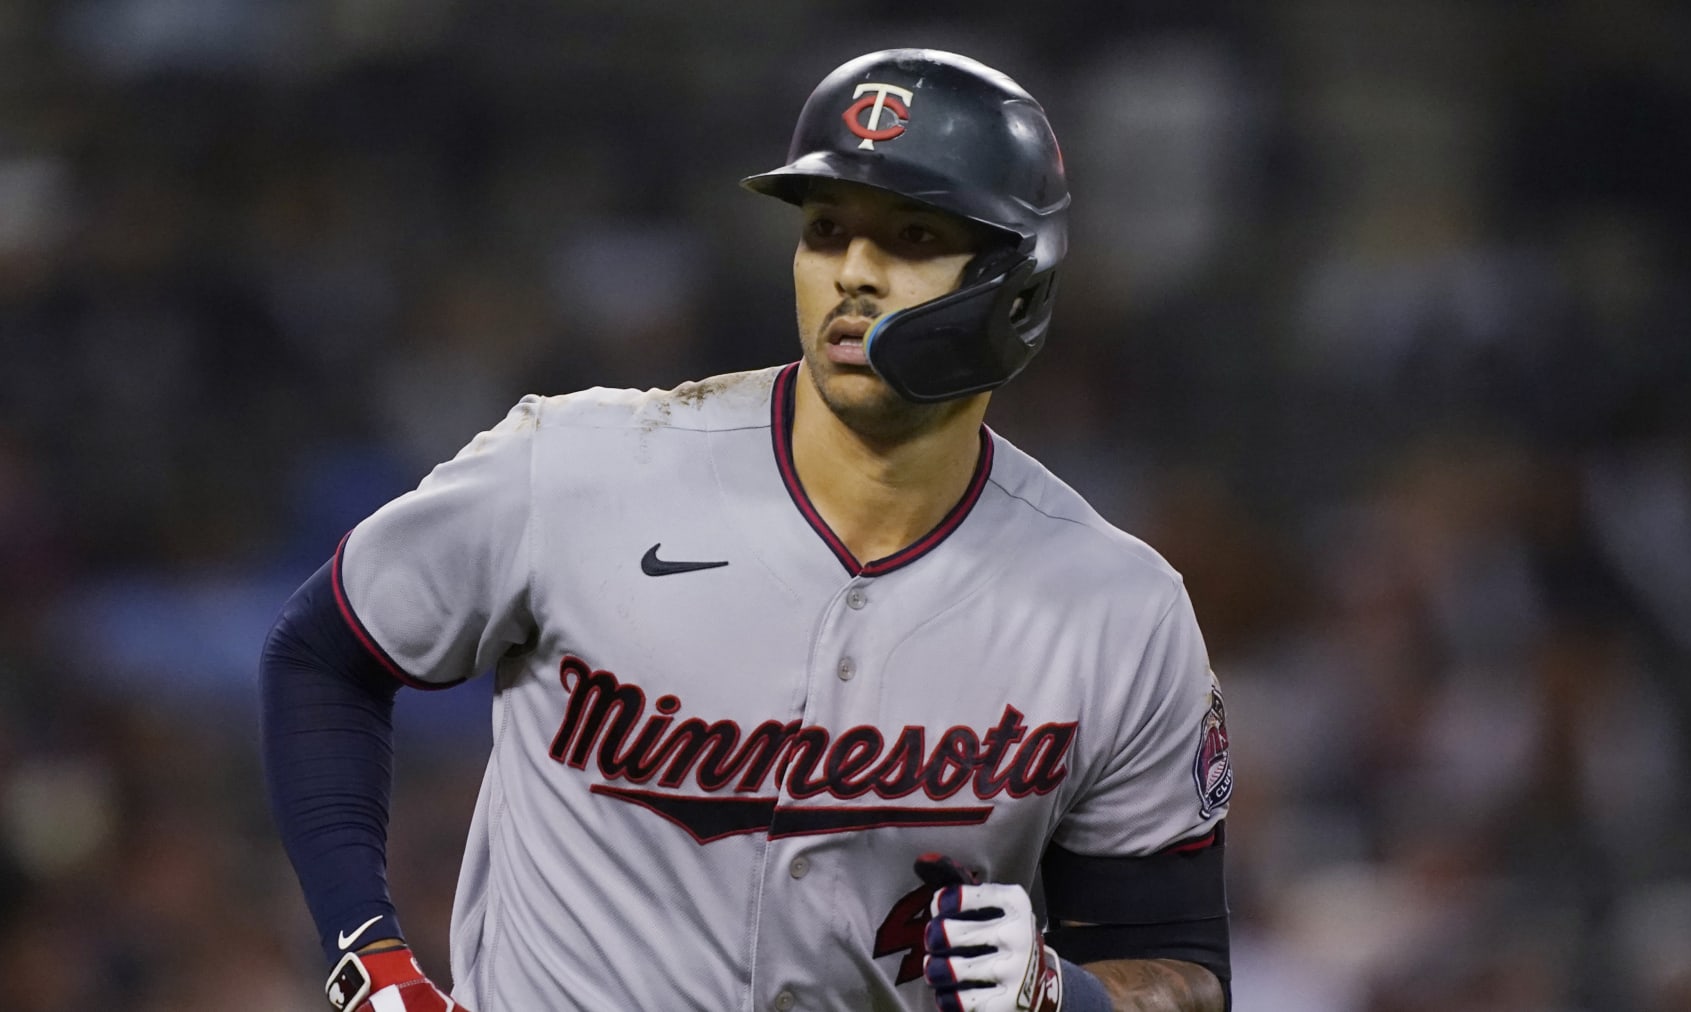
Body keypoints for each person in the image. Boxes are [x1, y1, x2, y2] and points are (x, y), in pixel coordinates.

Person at [261, 48, 1233, 1012]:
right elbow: (323, 653)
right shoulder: (578, 464)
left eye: (909, 236)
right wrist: (369, 958)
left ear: (1016, 279)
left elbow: (1183, 974)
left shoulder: (1118, 607)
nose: (853, 273)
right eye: (825, 230)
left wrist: (1067, 996)